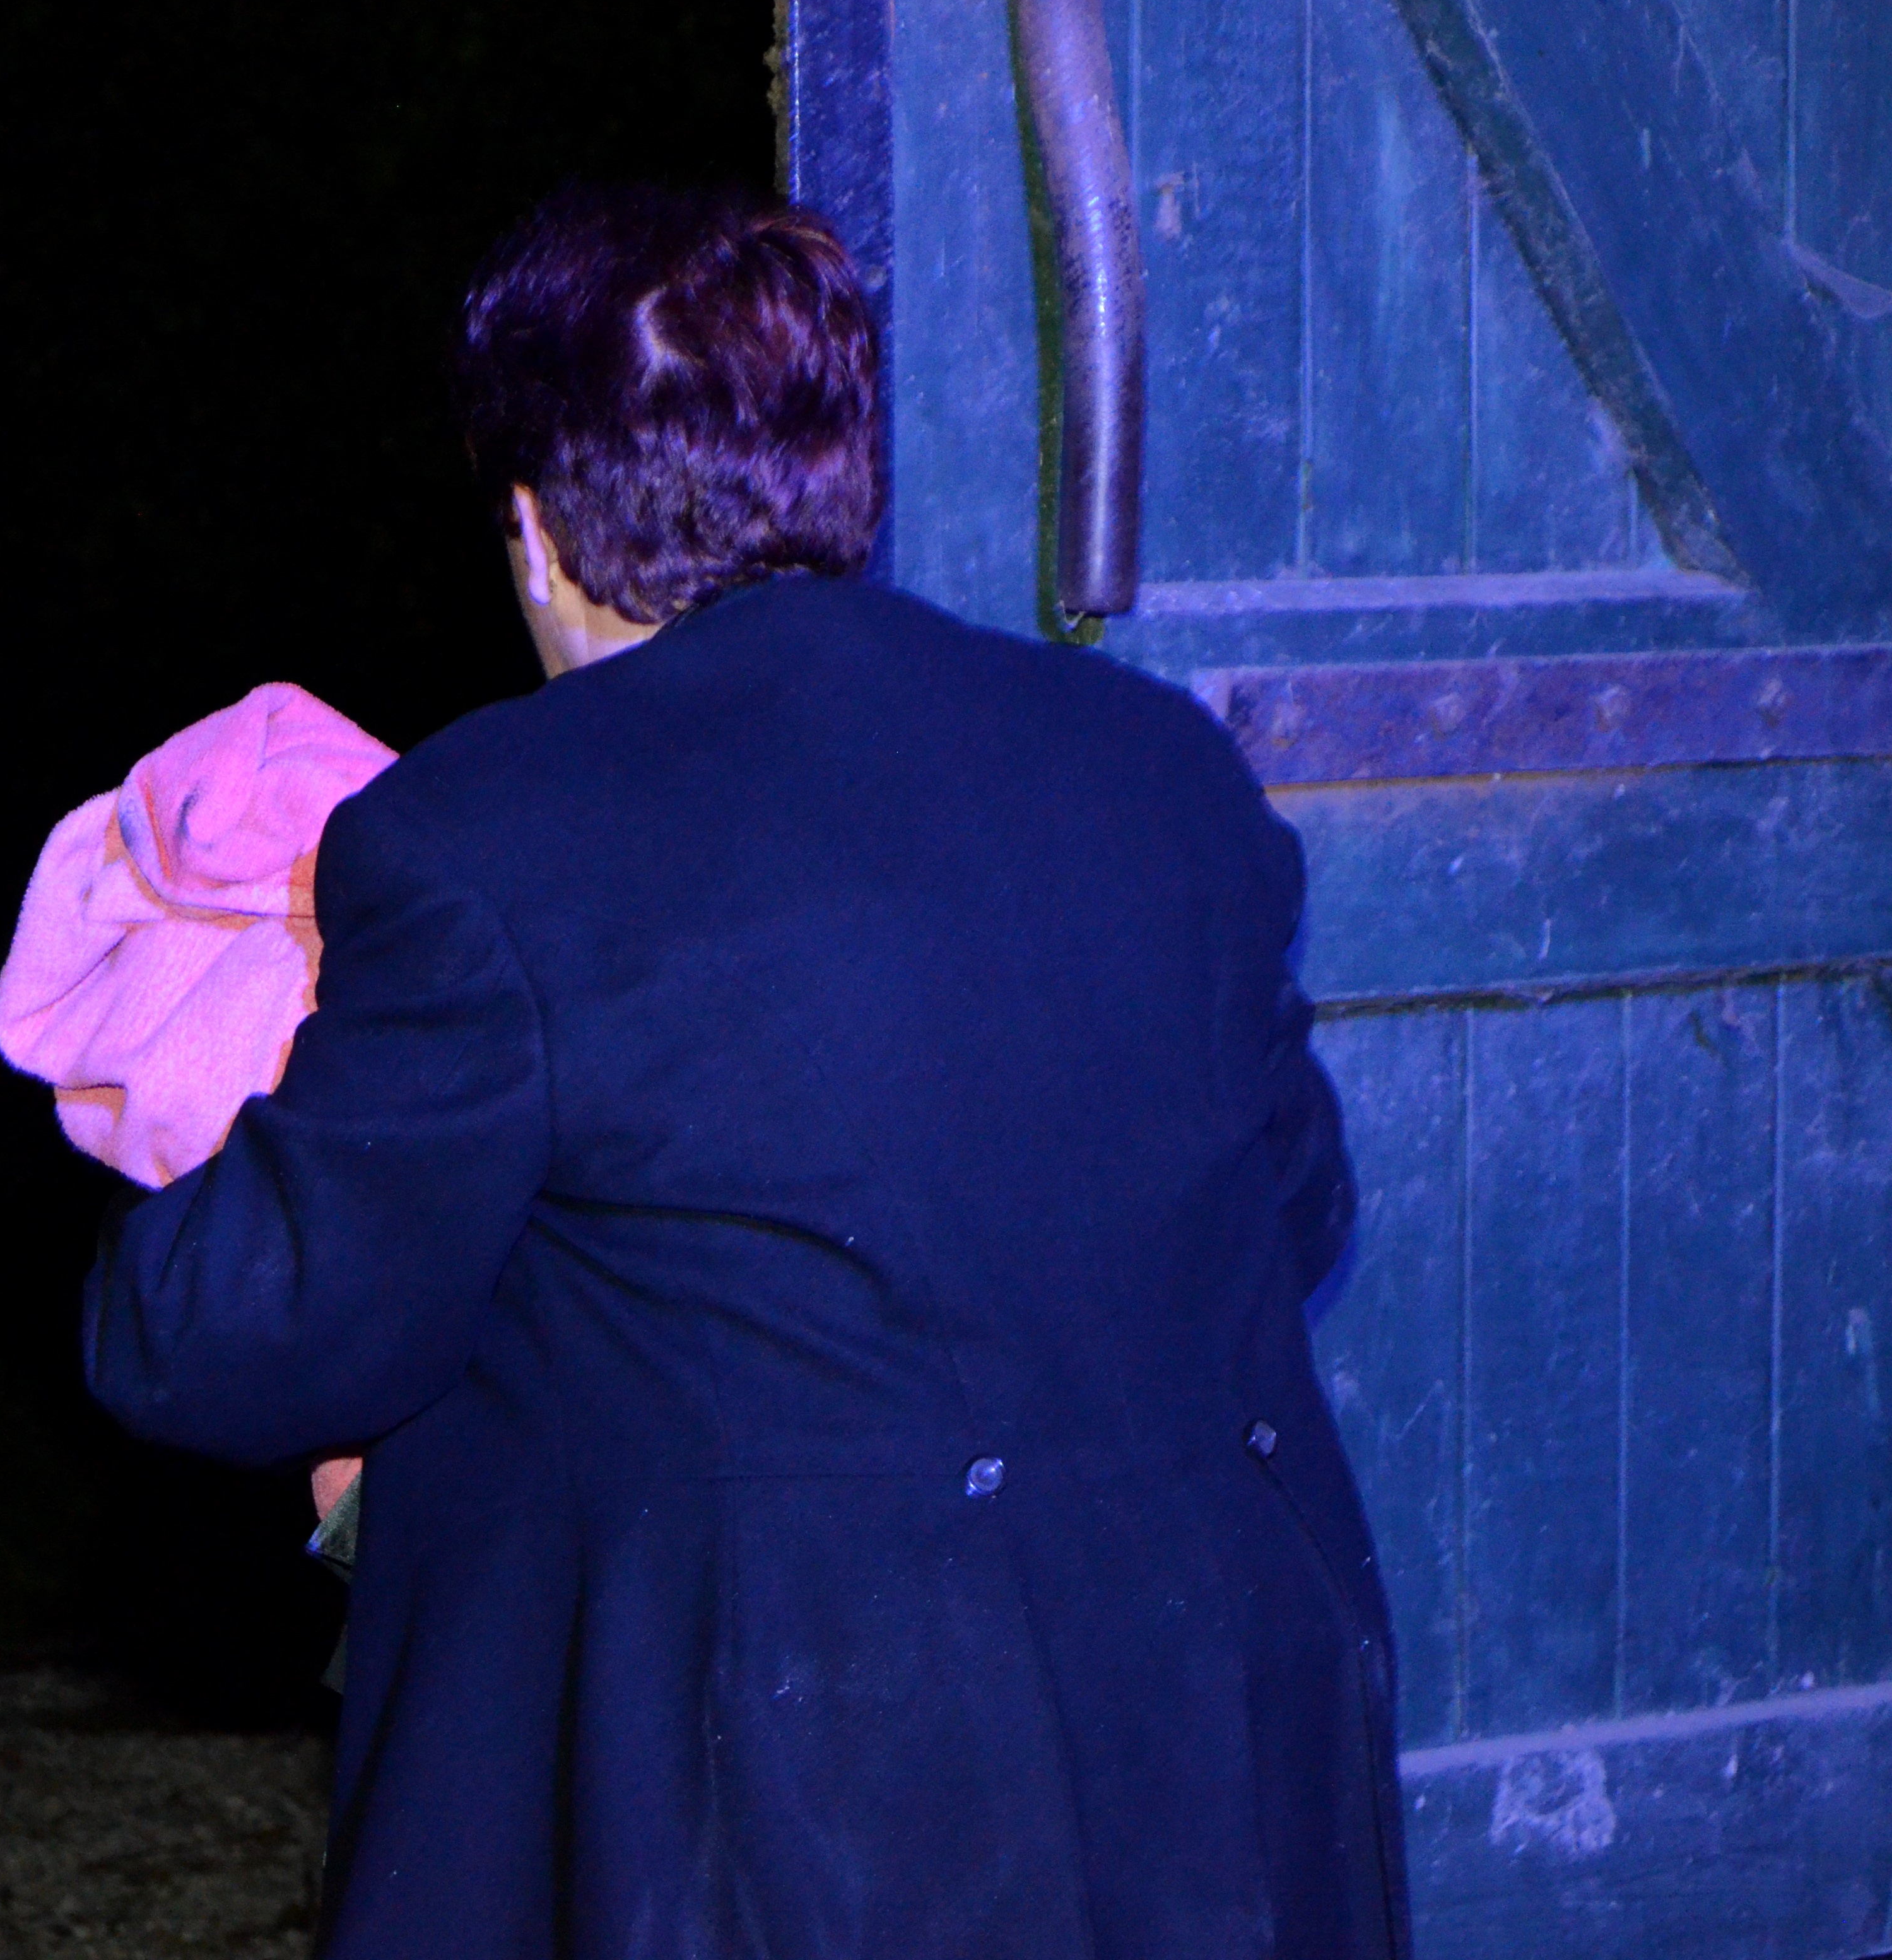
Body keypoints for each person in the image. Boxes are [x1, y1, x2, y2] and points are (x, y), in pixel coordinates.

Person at [81, 182, 1404, 1959]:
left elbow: (235, 1341)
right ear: (843, 472)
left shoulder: (486, 836)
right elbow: (1295, 1208)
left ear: (533, 529)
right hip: (1216, 1753)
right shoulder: (1154, 760)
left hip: (808, 1805)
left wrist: (199, 1070)